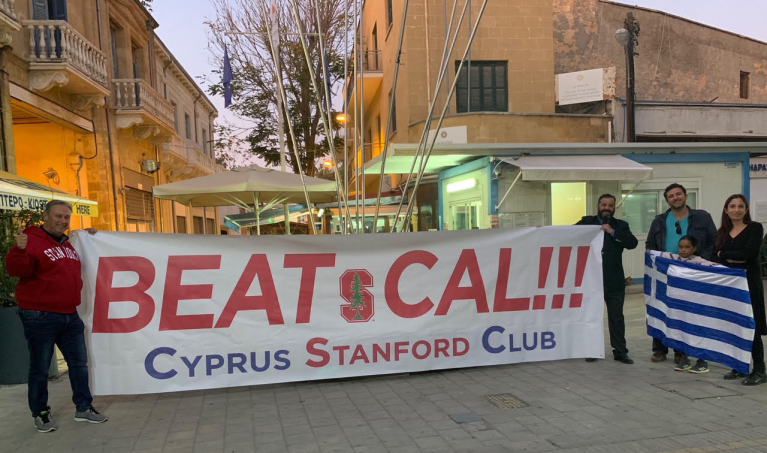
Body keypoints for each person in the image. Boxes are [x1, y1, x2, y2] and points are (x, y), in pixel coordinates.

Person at [5, 200, 107, 432]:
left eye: (66, 217)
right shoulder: (31, 239)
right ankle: (40, 413)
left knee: (79, 364)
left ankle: (84, 408)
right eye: (58, 216)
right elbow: (16, 271)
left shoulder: (67, 245)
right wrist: (18, 250)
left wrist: (91, 238)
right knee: (40, 368)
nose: (63, 221)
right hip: (40, 316)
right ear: (46, 216)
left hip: (69, 315)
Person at [646, 183, 717, 364]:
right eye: (671, 196)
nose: (675, 198)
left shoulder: (702, 217)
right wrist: (657, 262)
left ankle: (680, 350)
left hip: (691, 273)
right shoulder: (659, 221)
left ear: (685, 196)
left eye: (678, 194)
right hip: (666, 272)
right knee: (662, 308)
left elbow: (713, 241)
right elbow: (650, 245)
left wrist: (699, 262)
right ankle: (660, 349)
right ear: (667, 200)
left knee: (683, 311)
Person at [577, 194, 638, 364]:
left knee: (616, 317)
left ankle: (620, 352)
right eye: (604, 204)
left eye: (610, 205)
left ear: (614, 208)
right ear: (598, 205)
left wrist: (612, 232)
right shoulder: (586, 223)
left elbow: (632, 243)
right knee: (592, 317)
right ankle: (592, 350)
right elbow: (568, 234)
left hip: (614, 280)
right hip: (591, 280)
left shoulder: (621, 225)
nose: (607, 208)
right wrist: (543, 231)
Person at [713, 194, 766, 386]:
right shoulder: (722, 232)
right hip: (729, 285)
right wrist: (730, 258)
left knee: (751, 325)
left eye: (740, 206)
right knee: (733, 325)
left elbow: (749, 254)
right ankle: (739, 366)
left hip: (749, 284)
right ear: (726, 210)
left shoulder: (754, 228)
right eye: (732, 206)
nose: (736, 209)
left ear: (746, 209)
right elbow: (714, 257)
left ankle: (759, 369)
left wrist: (724, 254)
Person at [659, 235, 720, 374]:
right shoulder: (673, 259)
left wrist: (737, 272)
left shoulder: (700, 262)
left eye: (687, 247)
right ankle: (684, 359)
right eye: (681, 247)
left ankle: (702, 361)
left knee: (698, 331)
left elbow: (718, 269)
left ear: (694, 248)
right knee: (682, 330)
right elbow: (656, 254)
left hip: (696, 305)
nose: (683, 250)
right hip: (680, 304)